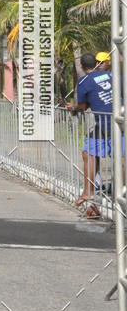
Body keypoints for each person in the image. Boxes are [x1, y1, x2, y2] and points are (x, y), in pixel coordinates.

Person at [66, 52, 113, 217]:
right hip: (118, 120)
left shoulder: (85, 81)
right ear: (97, 63)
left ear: (82, 66)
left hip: (105, 123)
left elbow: (83, 106)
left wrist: (72, 107)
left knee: (89, 154)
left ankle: (88, 192)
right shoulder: (109, 75)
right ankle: (94, 200)